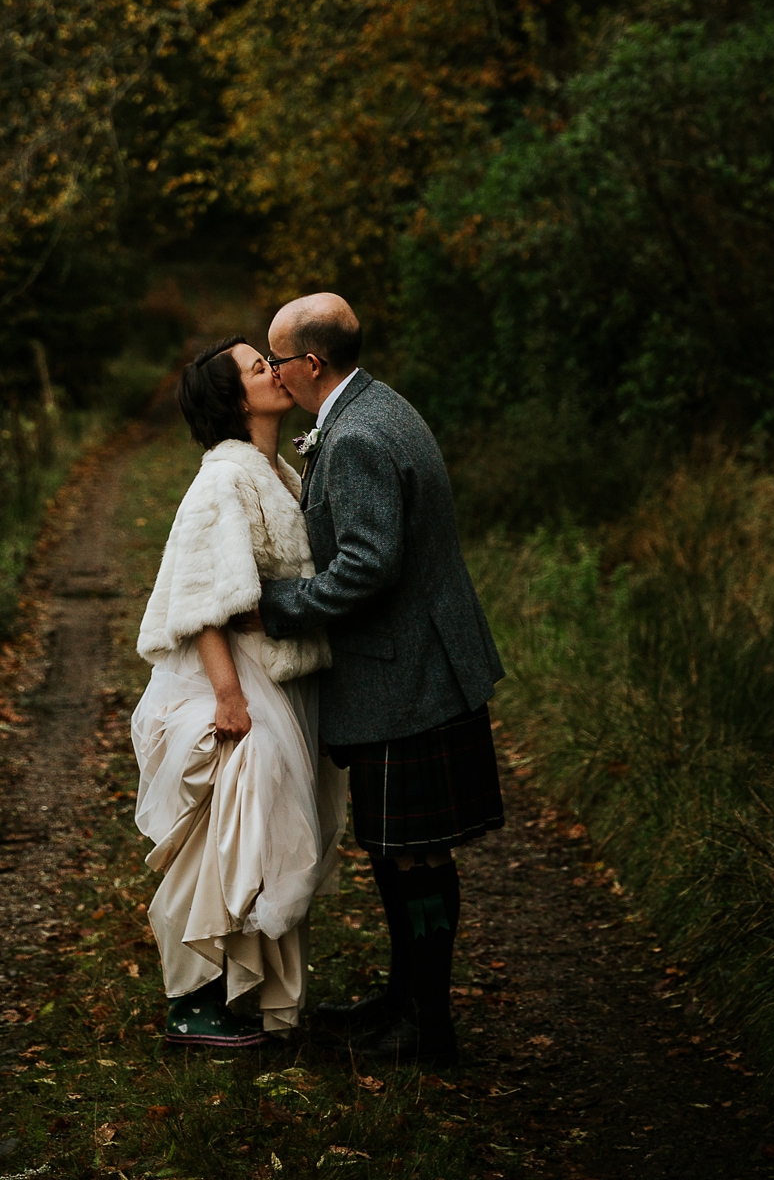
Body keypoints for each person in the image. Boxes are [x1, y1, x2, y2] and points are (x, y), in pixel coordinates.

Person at [255, 292, 506, 1065]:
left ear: (312, 362)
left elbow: (367, 564)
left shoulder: (359, 436)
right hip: (427, 663)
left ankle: (424, 1027)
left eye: (277, 359)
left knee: (411, 854)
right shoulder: (377, 405)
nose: (271, 372)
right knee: (414, 852)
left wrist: (279, 608)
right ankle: (408, 1003)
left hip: (407, 676)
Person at [131, 336, 347, 1049]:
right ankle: (192, 1004)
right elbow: (201, 603)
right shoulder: (223, 479)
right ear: (234, 398)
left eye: (271, 362)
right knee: (225, 839)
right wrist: (229, 700)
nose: (276, 372)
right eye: (260, 369)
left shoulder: (273, 471)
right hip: (234, 687)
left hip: (277, 678)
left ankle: (243, 995)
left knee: (275, 834)